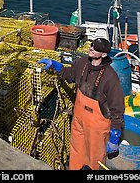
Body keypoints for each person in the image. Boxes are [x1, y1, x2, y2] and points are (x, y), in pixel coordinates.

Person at [38, 37, 125, 170]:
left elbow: (117, 107)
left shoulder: (110, 77)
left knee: (95, 157)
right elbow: (69, 74)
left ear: (104, 54)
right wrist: (56, 66)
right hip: (79, 118)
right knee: (76, 150)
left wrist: (115, 135)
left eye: (96, 48)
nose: (92, 48)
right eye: (92, 45)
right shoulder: (82, 63)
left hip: (97, 124)